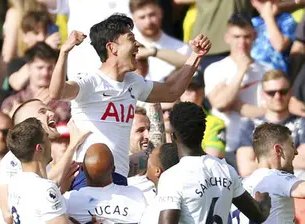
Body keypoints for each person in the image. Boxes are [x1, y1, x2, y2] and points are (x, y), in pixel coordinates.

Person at [48, 14, 211, 189]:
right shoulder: (90, 81)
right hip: (87, 175)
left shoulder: (134, 82)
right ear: (112, 48)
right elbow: (57, 93)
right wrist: (64, 52)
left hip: (119, 177)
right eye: (131, 38)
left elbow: (171, 92)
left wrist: (196, 56)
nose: (137, 45)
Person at [128, 102, 271, 224]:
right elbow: (258, 214)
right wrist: (265, 201)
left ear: (173, 135)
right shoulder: (225, 169)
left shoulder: (173, 177)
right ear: (203, 131)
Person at [0, 99, 88, 224]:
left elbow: (35, 201)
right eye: (42, 111)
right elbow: (8, 213)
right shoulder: (13, 159)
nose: (51, 114)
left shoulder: (46, 163)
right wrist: (72, 146)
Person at [6, 118, 107, 224]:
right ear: (39, 148)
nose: (51, 142)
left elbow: (38, 215)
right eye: (47, 138)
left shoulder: (16, 184)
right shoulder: (45, 189)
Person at [234, 123, 305, 224]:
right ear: (278, 150)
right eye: (292, 146)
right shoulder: (274, 177)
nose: (295, 152)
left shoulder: (240, 189)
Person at [205, 12, 269, 167]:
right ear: (227, 37)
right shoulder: (215, 69)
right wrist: (241, 71)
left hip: (256, 148)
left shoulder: (267, 70)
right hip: (224, 145)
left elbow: (271, 111)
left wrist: (237, 105)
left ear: (254, 36)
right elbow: (220, 104)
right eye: (236, 37)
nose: (242, 42)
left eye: (246, 36)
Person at [236, 69, 305, 178]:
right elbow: (246, 168)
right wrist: (290, 160)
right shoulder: (249, 125)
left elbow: (304, 161)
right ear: (263, 94)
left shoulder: (302, 123)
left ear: (290, 92)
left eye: (283, 91)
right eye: (271, 93)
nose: (277, 97)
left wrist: (263, 161)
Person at [129, 0, 191, 82]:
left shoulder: (182, 47)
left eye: (152, 15)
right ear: (133, 18)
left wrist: (153, 52)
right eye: (142, 17)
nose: (148, 22)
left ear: (161, 13)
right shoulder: (126, 46)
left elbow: (191, 65)